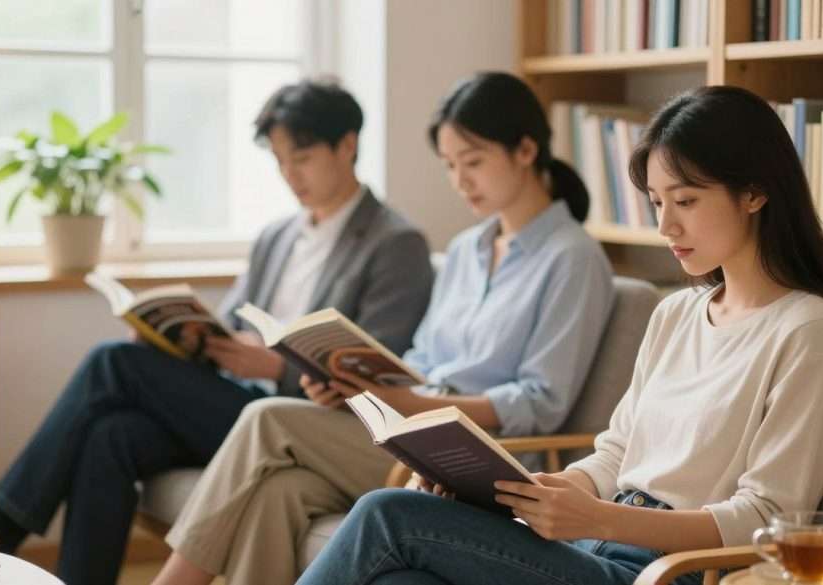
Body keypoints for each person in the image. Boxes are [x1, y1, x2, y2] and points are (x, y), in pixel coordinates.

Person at [295, 84, 823, 585]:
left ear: (754, 192)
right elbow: (617, 453)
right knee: (403, 579)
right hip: (594, 547)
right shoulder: (676, 314)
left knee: (386, 515)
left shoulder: (808, 332)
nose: (666, 226)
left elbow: (767, 519)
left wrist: (599, 519)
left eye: (687, 201)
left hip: (670, 571)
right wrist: (533, 492)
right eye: (656, 202)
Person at [150, 71, 616, 585]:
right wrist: (360, 384)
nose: (461, 181)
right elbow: (422, 356)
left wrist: (409, 405)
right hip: (411, 430)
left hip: (477, 455)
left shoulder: (573, 258)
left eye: (474, 162)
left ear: (526, 150)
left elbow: (539, 404)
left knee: (268, 418)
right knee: (277, 491)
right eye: (450, 166)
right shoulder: (466, 249)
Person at [0, 79, 435, 585]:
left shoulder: (396, 243)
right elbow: (230, 327)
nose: (290, 175)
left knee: (112, 363)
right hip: (234, 403)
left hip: (300, 423)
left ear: (347, 145)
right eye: (281, 161)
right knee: (110, 434)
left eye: (302, 158)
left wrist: (277, 367)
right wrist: (172, 341)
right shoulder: (277, 236)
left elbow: (375, 369)